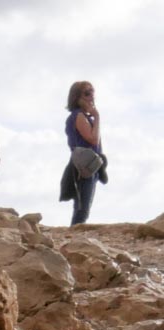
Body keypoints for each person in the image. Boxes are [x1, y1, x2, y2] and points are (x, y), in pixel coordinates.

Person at [61, 80, 104, 226]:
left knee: (83, 208)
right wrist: (97, 117)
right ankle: (73, 235)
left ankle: (73, 234)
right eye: (87, 93)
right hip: (84, 165)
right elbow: (93, 139)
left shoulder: (83, 117)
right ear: (77, 97)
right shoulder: (78, 116)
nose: (91, 96)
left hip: (90, 164)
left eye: (92, 92)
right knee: (82, 209)